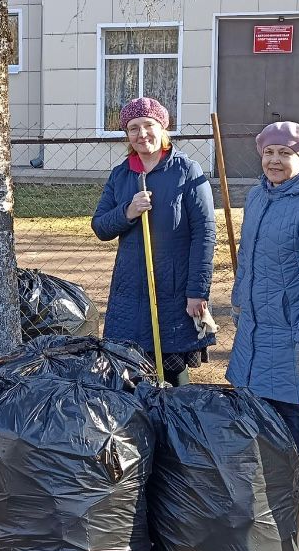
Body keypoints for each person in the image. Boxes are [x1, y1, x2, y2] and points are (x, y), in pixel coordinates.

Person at [92, 97, 216, 385]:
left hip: (173, 288)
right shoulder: (122, 174)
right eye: (133, 128)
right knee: (131, 369)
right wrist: (128, 212)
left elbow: (204, 234)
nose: (142, 134)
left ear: (163, 128)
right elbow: (100, 227)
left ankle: (177, 426)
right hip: (130, 288)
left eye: (149, 125)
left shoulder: (186, 171)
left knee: (172, 369)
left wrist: (197, 291)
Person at [226, 122, 299, 455]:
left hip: (289, 328)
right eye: (269, 152)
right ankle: (262, 480)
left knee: (287, 407)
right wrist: (239, 301)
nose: (274, 160)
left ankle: (287, 483)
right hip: (255, 323)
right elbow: (247, 255)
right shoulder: (258, 196)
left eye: (285, 153)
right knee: (254, 403)